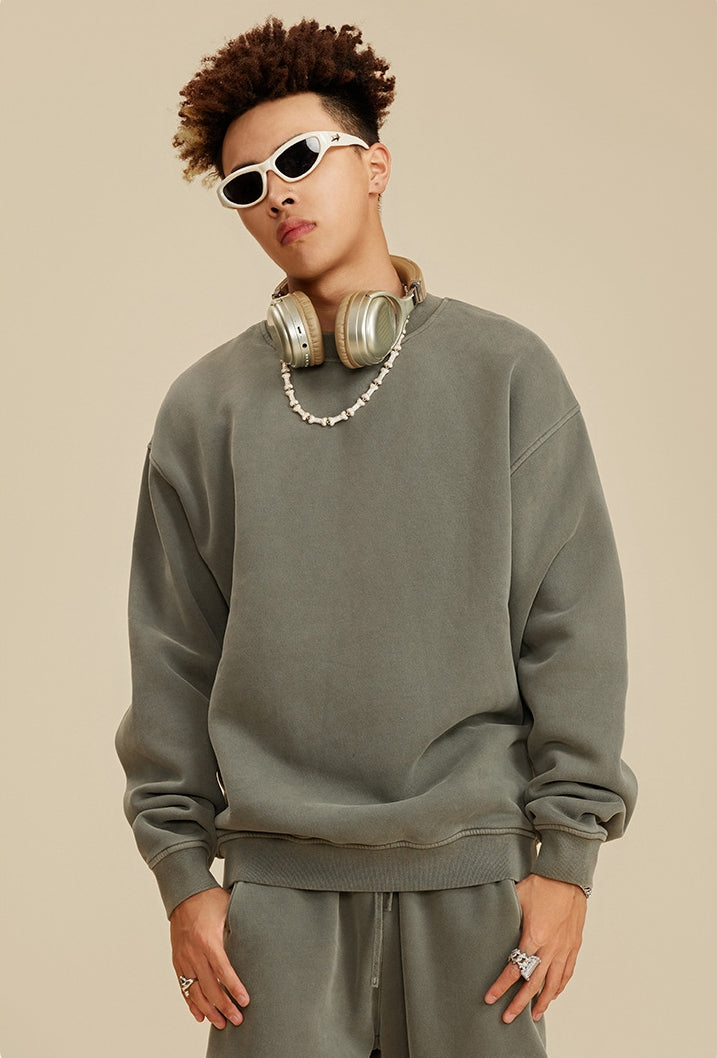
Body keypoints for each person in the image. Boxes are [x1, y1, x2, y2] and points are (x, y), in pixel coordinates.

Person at [116, 17, 637, 1058]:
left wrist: (567, 861)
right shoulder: (205, 409)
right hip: (274, 906)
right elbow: (173, 658)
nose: (279, 194)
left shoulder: (504, 373)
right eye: (247, 183)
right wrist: (182, 880)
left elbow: (571, 622)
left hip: (477, 895)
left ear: (376, 165)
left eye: (301, 157)